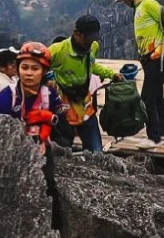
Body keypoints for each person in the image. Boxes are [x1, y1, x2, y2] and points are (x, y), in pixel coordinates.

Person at [114, 0, 164, 150]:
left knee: (147, 98)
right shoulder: (139, 9)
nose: (124, 1)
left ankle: (153, 138)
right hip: (150, 59)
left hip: (158, 58)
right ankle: (161, 131)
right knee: (157, 95)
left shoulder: (148, 4)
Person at [47, 15, 116, 153]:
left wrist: (111, 74)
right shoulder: (59, 50)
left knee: (96, 151)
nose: (90, 44)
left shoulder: (93, 46)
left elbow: (91, 65)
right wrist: (45, 82)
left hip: (85, 105)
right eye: (87, 39)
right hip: (64, 106)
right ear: (77, 34)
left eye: (93, 39)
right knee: (62, 151)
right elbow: (37, 64)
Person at [0, 41, 65, 152]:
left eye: (35, 68)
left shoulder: (50, 95)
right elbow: (1, 130)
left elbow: (63, 125)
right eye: (25, 67)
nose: (29, 73)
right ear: (18, 69)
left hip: (43, 151)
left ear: (44, 71)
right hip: (12, 153)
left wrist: (49, 118)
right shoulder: (7, 95)